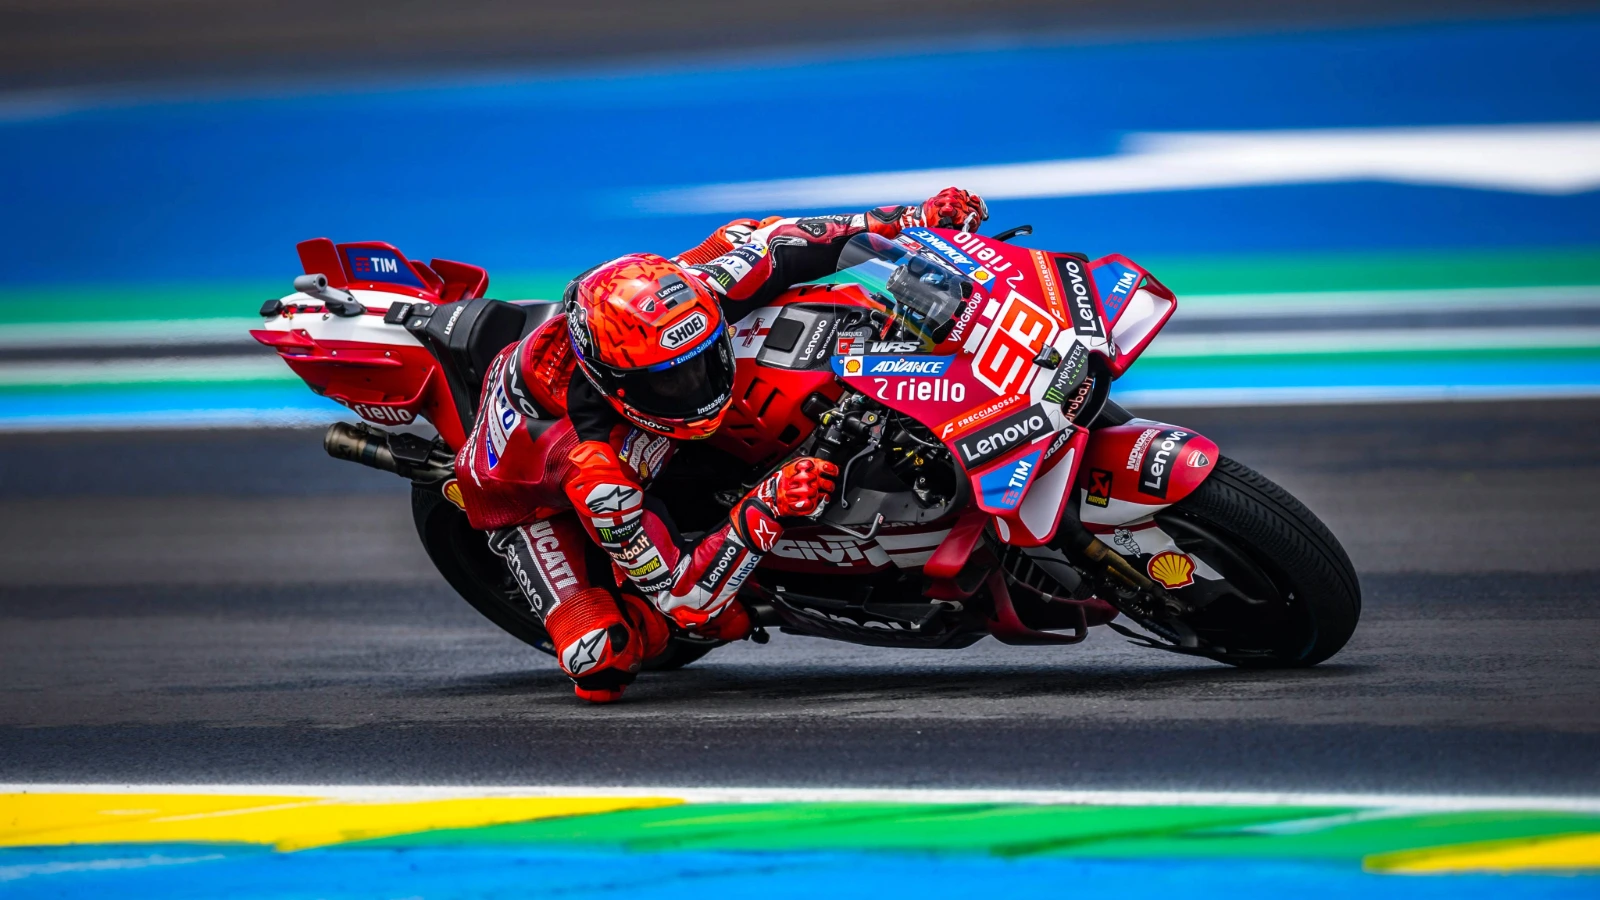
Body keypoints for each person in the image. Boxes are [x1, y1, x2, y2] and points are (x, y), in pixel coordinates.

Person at [452, 188, 989, 702]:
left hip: (627, 400)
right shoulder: (598, 473)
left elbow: (783, 237)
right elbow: (685, 598)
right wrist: (768, 505)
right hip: (527, 495)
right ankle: (632, 619)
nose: (697, 386)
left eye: (704, 359)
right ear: (618, 387)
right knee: (602, 658)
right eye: (670, 381)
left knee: (757, 252)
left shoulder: (697, 291)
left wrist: (916, 214)